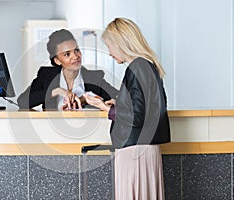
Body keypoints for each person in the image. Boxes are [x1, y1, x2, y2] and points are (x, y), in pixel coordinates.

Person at [84, 18, 171, 200]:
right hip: (145, 150)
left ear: (121, 43)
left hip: (134, 150)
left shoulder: (137, 67)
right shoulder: (147, 66)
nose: (109, 53)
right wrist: (120, 103)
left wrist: (104, 108)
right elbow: (152, 106)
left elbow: (138, 116)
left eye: (109, 46)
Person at [17, 29, 118, 110]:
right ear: (57, 60)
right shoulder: (46, 75)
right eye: (67, 54)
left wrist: (88, 100)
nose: (76, 56)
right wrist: (56, 91)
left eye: (77, 50)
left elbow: (120, 99)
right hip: (51, 130)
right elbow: (22, 101)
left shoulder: (94, 78)